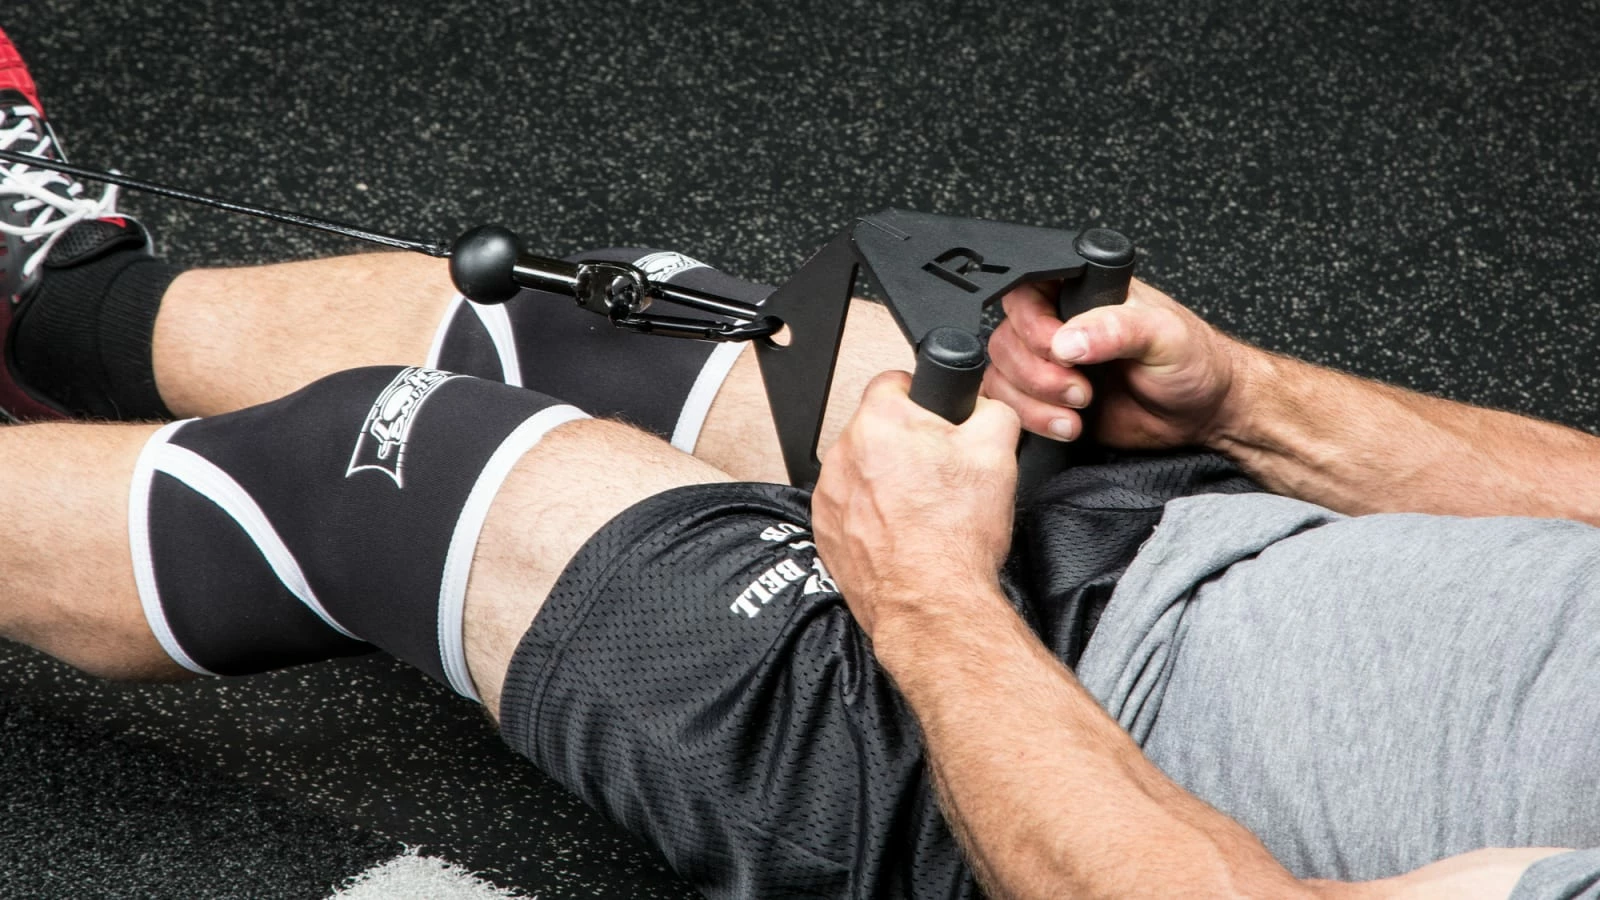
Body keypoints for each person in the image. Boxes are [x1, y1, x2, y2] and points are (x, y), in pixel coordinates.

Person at [3, 25, 1598, 900]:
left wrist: (929, 597)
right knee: (590, 328)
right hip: (1227, 530)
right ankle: (56, 300)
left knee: (385, 468)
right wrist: (1250, 409)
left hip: (1036, 777)